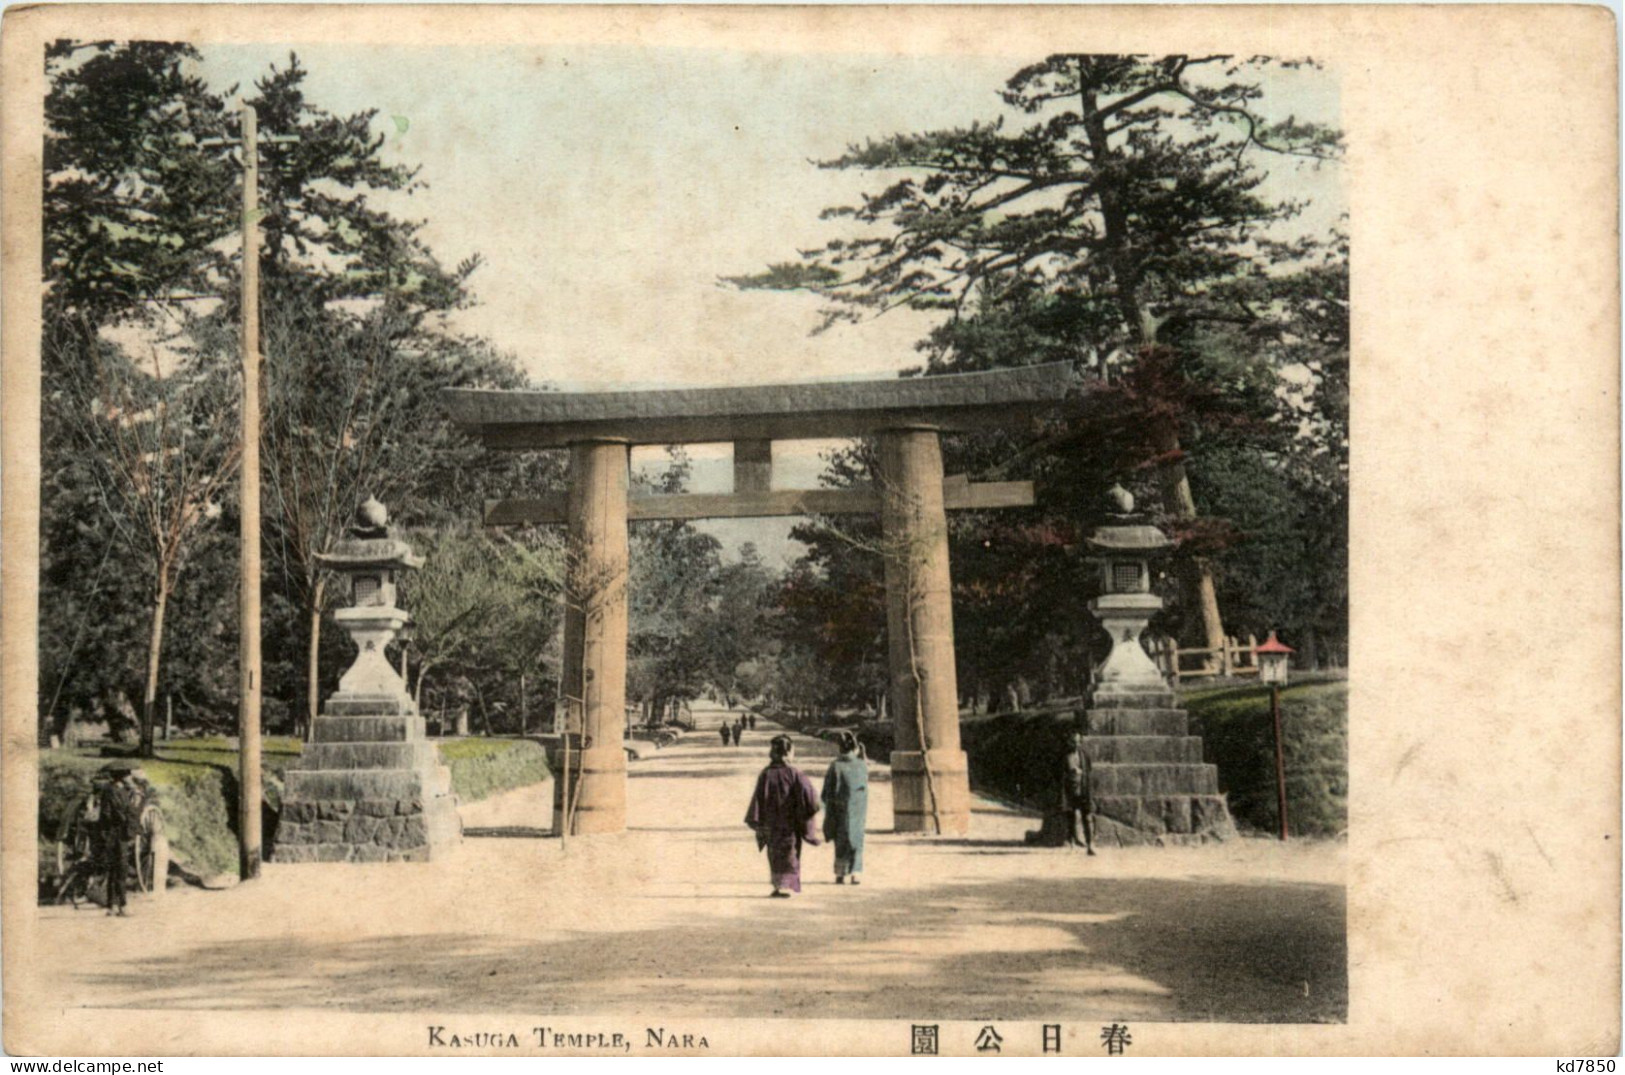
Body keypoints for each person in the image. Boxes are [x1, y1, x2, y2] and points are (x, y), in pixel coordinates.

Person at [744, 735, 821, 897]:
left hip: (771, 826)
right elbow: (811, 800)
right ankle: (788, 886)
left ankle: (779, 886)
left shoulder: (765, 774)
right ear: (787, 752)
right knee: (790, 854)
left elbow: (758, 802)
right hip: (791, 826)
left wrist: (761, 824)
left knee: (775, 854)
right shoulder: (795, 774)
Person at [821, 730, 868, 885]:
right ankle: (856, 873)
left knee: (841, 840)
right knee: (856, 840)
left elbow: (827, 791)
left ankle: (841, 873)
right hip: (857, 810)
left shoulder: (835, 766)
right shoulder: (861, 765)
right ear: (855, 747)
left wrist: (828, 804)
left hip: (839, 810)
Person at [96, 764, 141, 915]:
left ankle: (112, 906)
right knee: (120, 870)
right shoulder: (113, 792)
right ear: (122, 777)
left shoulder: (116, 790)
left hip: (113, 834)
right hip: (115, 835)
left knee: (115, 871)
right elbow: (116, 814)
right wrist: (133, 808)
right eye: (128, 776)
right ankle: (121, 905)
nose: (130, 778)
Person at [1062, 728, 1096, 855]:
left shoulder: (1084, 755)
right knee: (1071, 818)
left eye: (1077, 742)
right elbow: (1059, 774)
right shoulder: (1064, 756)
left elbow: (1089, 771)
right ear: (1069, 742)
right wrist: (1070, 773)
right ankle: (1072, 844)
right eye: (1073, 742)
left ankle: (1090, 845)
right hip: (1070, 791)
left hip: (1083, 790)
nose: (1075, 744)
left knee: (1087, 817)